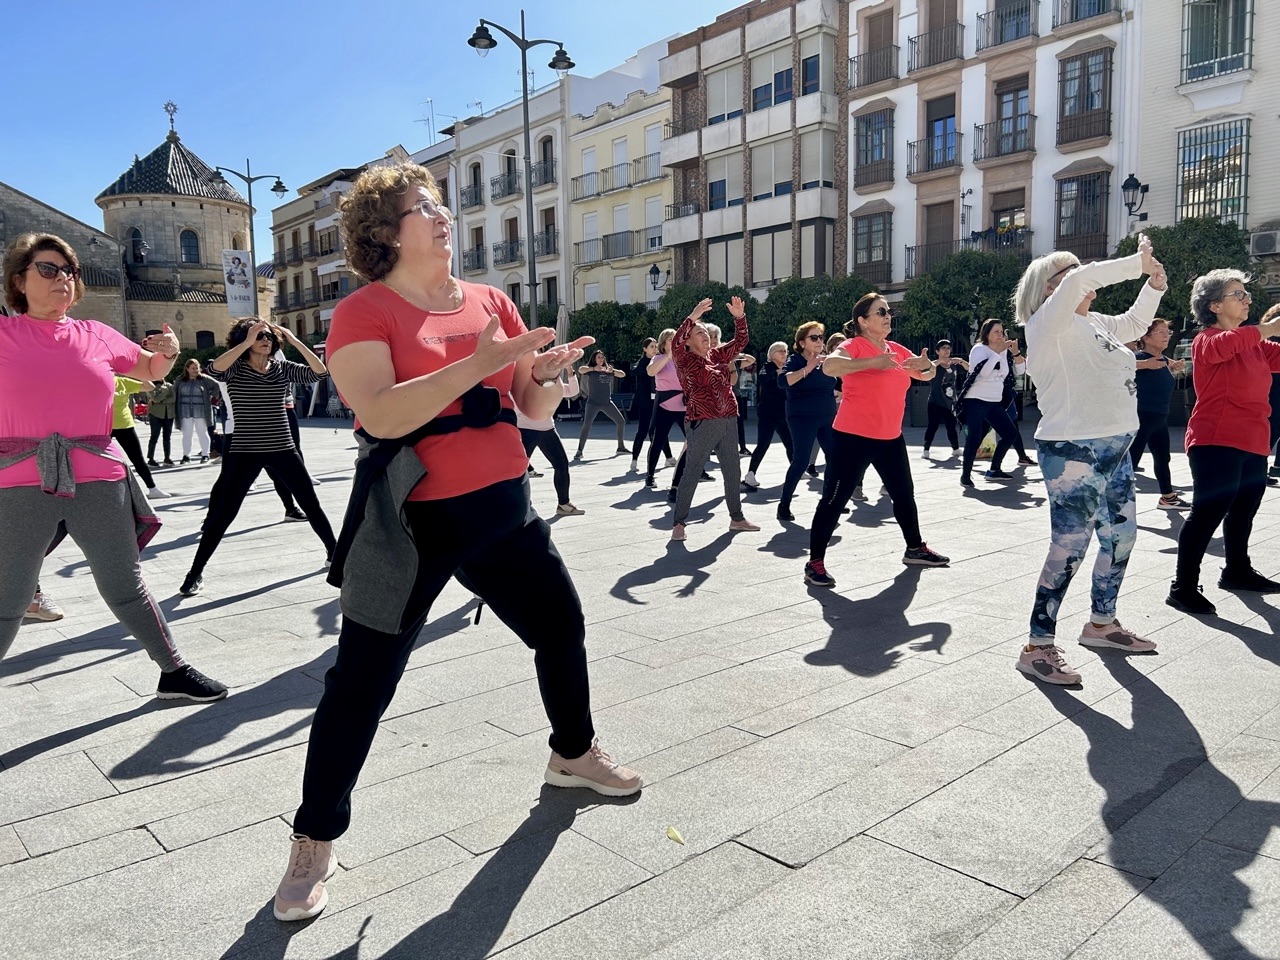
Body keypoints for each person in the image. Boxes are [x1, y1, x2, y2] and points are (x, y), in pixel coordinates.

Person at [273, 162, 641, 923]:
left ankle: (573, 753)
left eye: (440, 202)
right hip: (413, 525)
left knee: (560, 628)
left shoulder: (490, 301)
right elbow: (377, 413)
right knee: (361, 686)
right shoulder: (364, 313)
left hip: (505, 508)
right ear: (383, 232)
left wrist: (547, 376)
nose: (440, 214)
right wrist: (475, 364)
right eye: (420, 206)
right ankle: (314, 839)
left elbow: (526, 406)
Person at [0, 232, 226, 701]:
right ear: (19, 280)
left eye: (68, 271)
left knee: (125, 585)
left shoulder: (95, 334)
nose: (62, 278)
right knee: (10, 599)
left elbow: (151, 370)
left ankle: (173, 672)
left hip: (100, 479)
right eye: (47, 269)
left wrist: (168, 349)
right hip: (20, 481)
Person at [1012, 235, 1167, 685]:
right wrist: (1135, 262)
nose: (1085, 276)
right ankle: (1037, 645)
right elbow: (1081, 277)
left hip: (1116, 447)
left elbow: (1135, 323)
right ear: (1050, 289)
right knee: (1070, 545)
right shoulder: (1047, 324)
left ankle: (1102, 623)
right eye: (1069, 274)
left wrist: (1153, 284)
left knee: (1121, 537)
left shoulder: (1095, 322)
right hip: (1073, 448)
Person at [178, 319, 337, 596]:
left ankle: (335, 555)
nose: (265, 340)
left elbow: (319, 373)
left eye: (269, 336)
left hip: (283, 448)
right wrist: (245, 342)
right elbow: (214, 369)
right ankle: (195, 573)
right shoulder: (235, 369)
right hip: (244, 451)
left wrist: (295, 341)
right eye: (260, 336)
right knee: (224, 514)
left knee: (311, 503)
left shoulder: (281, 368)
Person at [803, 294, 948, 586]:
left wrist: (926, 365)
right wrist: (873, 362)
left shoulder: (895, 349)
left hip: (890, 437)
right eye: (880, 311)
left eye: (889, 311)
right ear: (862, 321)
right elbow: (830, 366)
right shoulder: (853, 346)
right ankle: (815, 562)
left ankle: (914, 548)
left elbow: (926, 373)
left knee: (904, 494)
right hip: (852, 437)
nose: (887, 315)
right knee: (833, 500)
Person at [1167, 272, 1280, 615]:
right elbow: (1228, 345)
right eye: (1237, 294)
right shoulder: (1208, 339)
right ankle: (1183, 587)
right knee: (1207, 513)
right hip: (1217, 438)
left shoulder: (1254, 344)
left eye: (1246, 294)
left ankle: (1237, 570)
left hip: (1253, 439)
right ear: (1214, 306)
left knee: (1244, 510)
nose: (1247, 299)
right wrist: (1267, 328)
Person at [669, 297, 761, 541]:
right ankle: (679, 522)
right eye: (699, 333)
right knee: (693, 470)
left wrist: (740, 318)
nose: (705, 336)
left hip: (729, 417)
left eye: (706, 333)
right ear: (688, 340)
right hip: (702, 420)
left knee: (732, 470)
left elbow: (741, 342)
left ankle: (737, 518)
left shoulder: (716, 355)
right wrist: (693, 316)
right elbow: (676, 342)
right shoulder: (684, 358)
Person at [777, 322, 837, 521]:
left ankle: (829, 501)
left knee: (834, 458)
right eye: (814, 337)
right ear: (802, 342)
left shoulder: (827, 361)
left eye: (821, 337)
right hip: (802, 417)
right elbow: (783, 381)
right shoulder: (795, 360)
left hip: (827, 416)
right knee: (801, 461)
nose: (819, 341)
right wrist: (809, 368)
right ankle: (784, 504)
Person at [1129, 318, 1189, 509]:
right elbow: (1118, 366)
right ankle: (1116, 502)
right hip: (1141, 417)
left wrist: (1172, 366)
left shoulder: (1162, 359)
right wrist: (1145, 364)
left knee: (1163, 458)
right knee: (1131, 461)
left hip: (1160, 418)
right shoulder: (1138, 357)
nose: (1166, 336)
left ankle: (1168, 497)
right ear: (1146, 337)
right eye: (1161, 332)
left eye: (1167, 332)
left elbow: (1161, 366)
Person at [958, 319, 1025, 487]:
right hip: (976, 400)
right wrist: (996, 353)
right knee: (974, 437)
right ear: (987, 333)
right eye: (996, 332)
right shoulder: (979, 350)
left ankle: (994, 469)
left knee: (1010, 433)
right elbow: (984, 373)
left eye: (1002, 332)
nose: (1000, 335)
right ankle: (965, 475)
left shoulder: (1003, 352)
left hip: (994, 402)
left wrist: (1015, 353)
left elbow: (1020, 371)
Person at [518, 367, 584, 516]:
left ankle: (564, 504)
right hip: (526, 428)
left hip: (547, 428)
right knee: (518, 470)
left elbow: (572, 392)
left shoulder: (553, 378)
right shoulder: (524, 377)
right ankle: (517, 508)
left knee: (561, 464)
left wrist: (570, 372)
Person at [742, 341, 793, 490]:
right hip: (767, 413)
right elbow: (763, 379)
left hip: (783, 413)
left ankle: (797, 470)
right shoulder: (767, 368)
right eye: (780, 351)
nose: (784, 353)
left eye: (785, 351)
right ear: (772, 355)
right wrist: (776, 373)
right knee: (763, 444)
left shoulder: (789, 367)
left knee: (790, 443)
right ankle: (750, 474)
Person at [113, 376, 170, 499]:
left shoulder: (123, 381)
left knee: (137, 459)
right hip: (102, 426)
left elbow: (150, 387)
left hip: (124, 425)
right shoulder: (94, 382)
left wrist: (139, 373)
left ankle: (152, 488)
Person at [644, 327, 686, 488]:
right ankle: (650, 475)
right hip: (665, 406)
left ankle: (697, 472)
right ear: (664, 342)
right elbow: (650, 372)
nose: (674, 341)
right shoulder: (659, 357)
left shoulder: (682, 358)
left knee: (693, 440)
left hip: (683, 406)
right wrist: (668, 357)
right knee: (658, 441)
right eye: (671, 339)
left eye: (676, 338)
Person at [573, 350, 627, 459]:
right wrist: (593, 368)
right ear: (594, 359)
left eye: (602, 357)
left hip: (607, 402)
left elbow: (622, 374)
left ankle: (620, 447)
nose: (601, 359)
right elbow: (580, 369)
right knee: (586, 425)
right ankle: (579, 451)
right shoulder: (591, 370)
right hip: (593, 403)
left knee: (621, 422)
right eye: (599, 357)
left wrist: (613, 371)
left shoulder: (608, 369)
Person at [921, 340, 966, 458]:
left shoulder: (954, 365)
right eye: (943, 348)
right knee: (932, 426)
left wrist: (961, 361)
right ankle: (926, 449)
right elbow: (924, 370)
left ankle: (955, 449)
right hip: (935, 401)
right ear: (937, 351)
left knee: (951, 427)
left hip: (950, 403)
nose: (947, 350)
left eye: (948, 348)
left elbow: (969, 368)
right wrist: (939, 361)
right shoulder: (935, 365)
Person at [174, 358, 217, 463]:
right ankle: (186, 456)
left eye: (197, 368)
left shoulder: (205, 379)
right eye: (193, 368)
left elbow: (217, 386)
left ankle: (205, 454)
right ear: (187, 369)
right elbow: (174, 392)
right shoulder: (180, 380)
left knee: (202, 432)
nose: (195, 370)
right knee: (187, 434)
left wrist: (212, 396)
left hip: (201, 411)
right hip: (185, 411)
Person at [627, 337, 659, 473]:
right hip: (645, 402)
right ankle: (634, 460)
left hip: (657, 400)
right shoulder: (643, 362)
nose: (655, 349)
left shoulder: (659, 360)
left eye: (656, 346)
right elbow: (634, 371)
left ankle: (668, 457)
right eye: (651, 346)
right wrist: (647, 364)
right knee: (643, 431)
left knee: (658, 431)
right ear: (645, 349)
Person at [146, 377, 176, 467]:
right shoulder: (150, 386)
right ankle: (150, 459)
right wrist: (164, 392)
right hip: (155, 414)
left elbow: (173, 398)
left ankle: (167, 458)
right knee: (154, 436)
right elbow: (155, 399)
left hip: (168, 414)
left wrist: (162, 400)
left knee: (167, 437)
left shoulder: (169, 385)